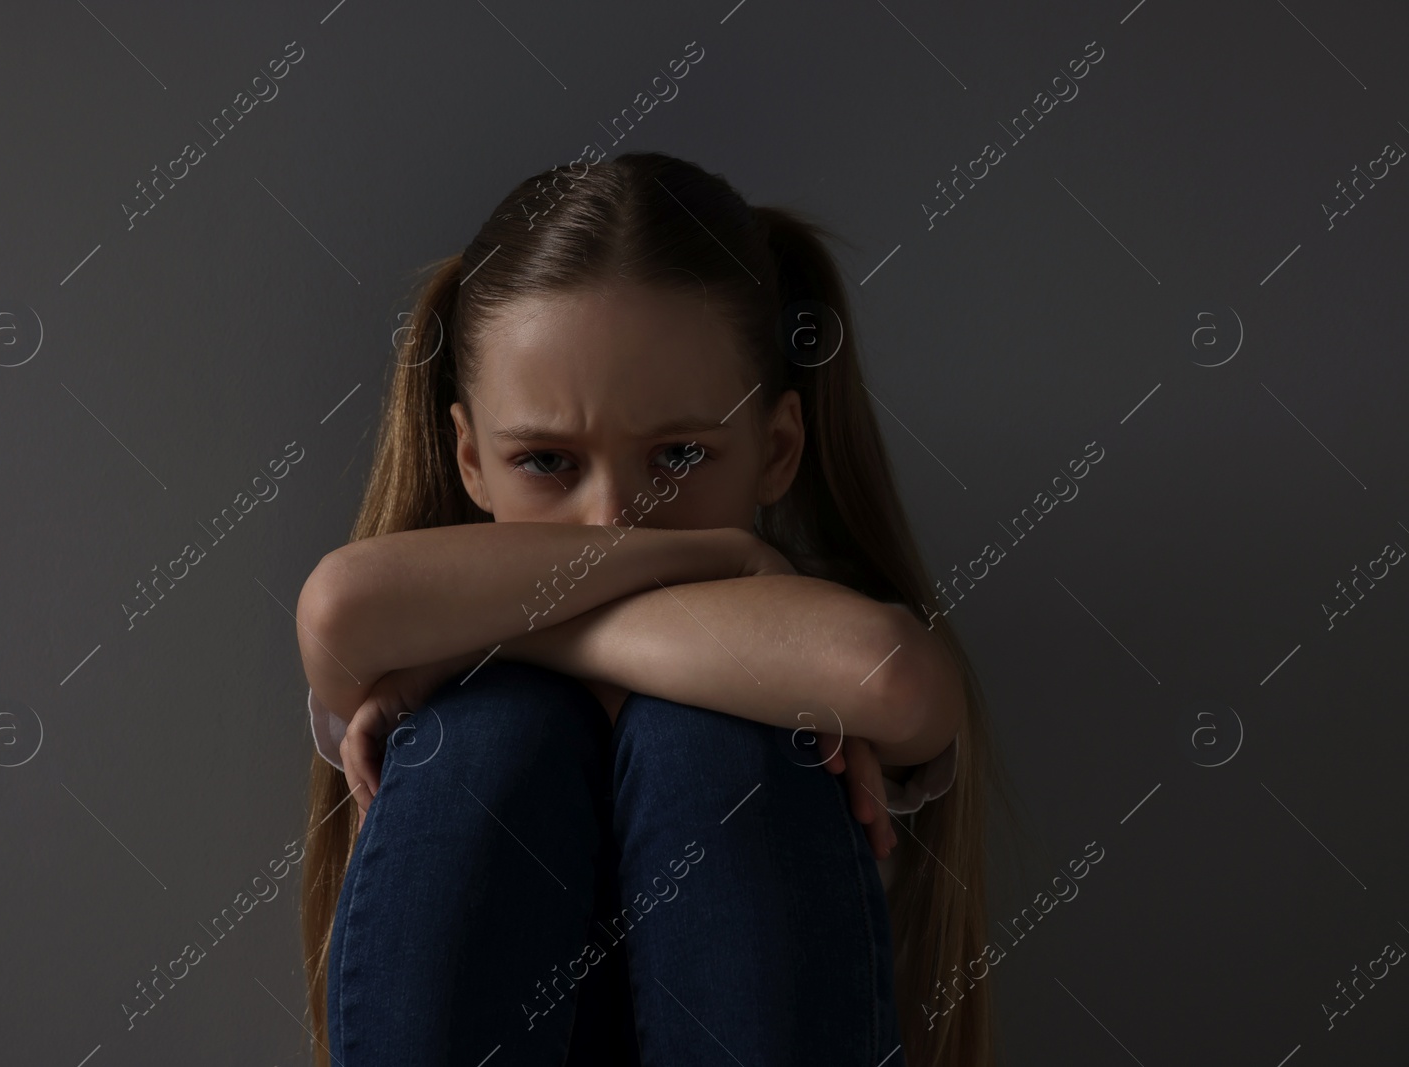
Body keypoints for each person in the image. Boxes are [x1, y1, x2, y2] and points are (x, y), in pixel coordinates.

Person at [294, 151, 1010, 1066]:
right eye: (547, 462)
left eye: (677, 456)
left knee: (713, 740)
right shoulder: (425, 617)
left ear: (778, 446)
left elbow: (894, 676)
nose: (609, 521)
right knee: (493, 733)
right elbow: (339, 606)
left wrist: (503, 636)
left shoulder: (434, 639)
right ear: (470, 458)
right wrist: (722, 554)